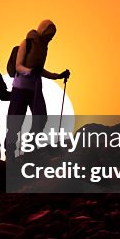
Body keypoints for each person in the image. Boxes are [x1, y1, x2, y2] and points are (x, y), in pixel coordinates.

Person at [4, 20, 70, 157]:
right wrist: (30, 71)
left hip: (35, 88)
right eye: (49, 35)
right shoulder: (26, 43)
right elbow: (18, 66)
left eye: (52, 36)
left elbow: (40, 70)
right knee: (15, 122)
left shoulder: (43, 48)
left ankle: (30, 148)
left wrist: (58, 76)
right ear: (43, 31)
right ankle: (10, 153)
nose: (50, 38)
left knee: (41, 118)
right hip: (20, 88)